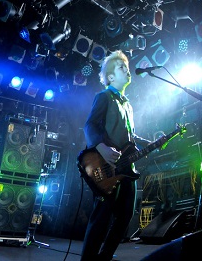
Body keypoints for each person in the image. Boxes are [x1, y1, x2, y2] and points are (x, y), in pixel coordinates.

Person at [80, 50, 150, 261]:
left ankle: (105, 257)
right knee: (102, 215)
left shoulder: (128, 104)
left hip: (127, 167)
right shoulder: (104, 97)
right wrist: (100, 147)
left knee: (125, 215)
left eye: (127, 67)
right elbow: (90, 125)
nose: (127, 70)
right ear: (110, 77)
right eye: (122, 67)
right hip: (107, 165)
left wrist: (151, 143)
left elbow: (130, 137)